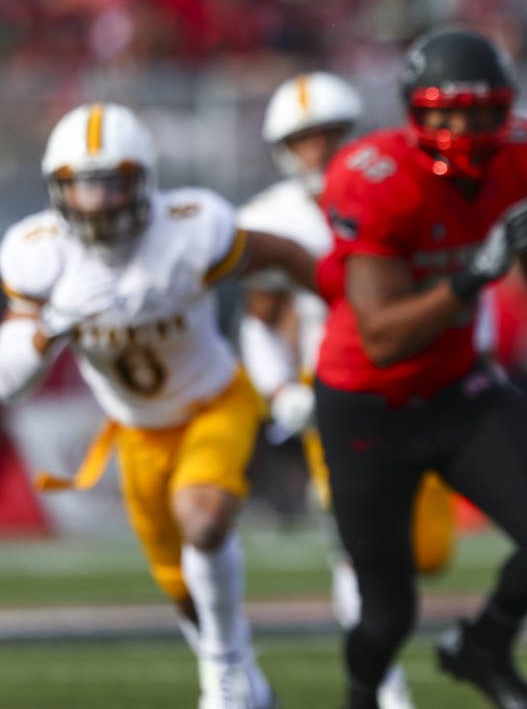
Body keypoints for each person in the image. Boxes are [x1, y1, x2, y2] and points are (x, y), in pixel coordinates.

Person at [0, 102, 321, 709]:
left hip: (213, 401)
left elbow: (282, 255)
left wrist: (339, 298)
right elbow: (8, 380)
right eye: (82, 186)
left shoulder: (191, 228)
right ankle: (243, 677)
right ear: (57, 190)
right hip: (134, 427)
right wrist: (51, 327)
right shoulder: (38, 254)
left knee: (203, 519)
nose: (97, 203)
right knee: (178, 585)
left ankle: (222, 678)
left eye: (111, 183)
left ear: (143, 181)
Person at [313, 28, 527, 709]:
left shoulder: (523, 157)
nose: (461, 128)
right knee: (386, 614)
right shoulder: (374, 179)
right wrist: (472, 278)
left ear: (505, 110)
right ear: (414, 111)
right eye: (444, 112)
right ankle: (359, 697)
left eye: (478, 111)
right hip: (366, 403)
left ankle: (485, 645)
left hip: (456, 390)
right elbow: (381, 338)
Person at [236, 70, 417, 709]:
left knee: (426, 548)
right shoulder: (271, 217)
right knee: (354, 539)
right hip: (334, 384)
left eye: (330, 135)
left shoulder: (394, 191)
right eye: (305, 139)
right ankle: (385, 683)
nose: (319, 151)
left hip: (409, 378)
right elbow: (258, 321)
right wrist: (280, 386)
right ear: (284, 148)